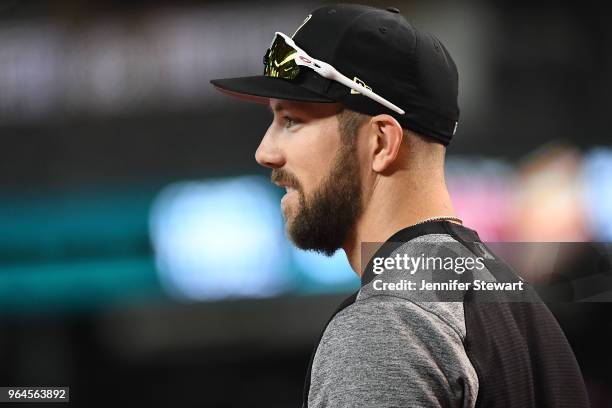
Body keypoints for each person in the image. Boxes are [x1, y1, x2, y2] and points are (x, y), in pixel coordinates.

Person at [211, 4, 589, 407]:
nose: (265, 152)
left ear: (380, 143)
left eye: (292, 120)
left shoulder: (386, 325)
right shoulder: (519, 307)